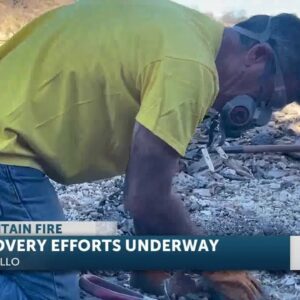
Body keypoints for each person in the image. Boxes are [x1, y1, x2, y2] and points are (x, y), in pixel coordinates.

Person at [0, 0, 299, 299]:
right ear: (257, 55)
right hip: (8, 148)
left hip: (10, 121)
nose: (257, 114)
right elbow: (147, 198)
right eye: (266, 99)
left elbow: (143, 175)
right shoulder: (190, 69)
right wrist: (216, 265)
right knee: (49, 294)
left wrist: (151, 269)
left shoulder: (192, 34)